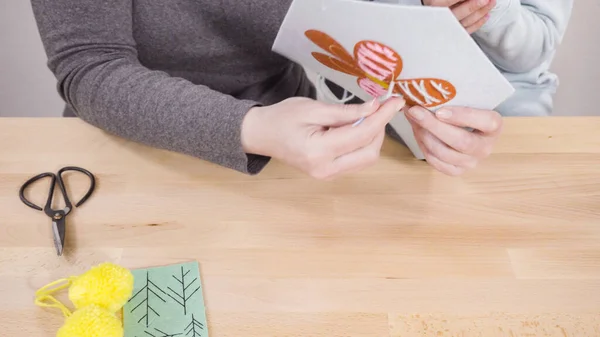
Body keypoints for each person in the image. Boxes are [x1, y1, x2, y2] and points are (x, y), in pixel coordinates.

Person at [30, 0, 502, 179]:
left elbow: (336, 36)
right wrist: (248, 126)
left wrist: (422, 114)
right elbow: (91, 67)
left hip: (292, 155)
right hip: (126, 155)